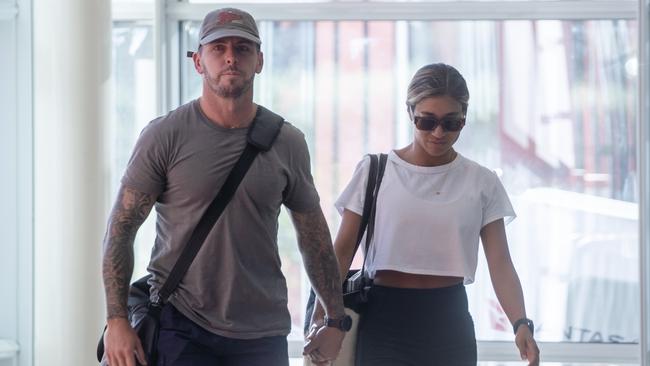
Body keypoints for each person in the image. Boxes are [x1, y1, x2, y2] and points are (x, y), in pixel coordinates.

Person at [101, 7, 348, 366]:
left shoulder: (287, 141)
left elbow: (313, 237)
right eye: (218, 48)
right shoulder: (164, 136)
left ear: (259, 60)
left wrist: (335, 319)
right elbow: (120, 229)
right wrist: (117, 320)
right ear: (198, 61)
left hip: (262, 333)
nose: (231, 57)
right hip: (181, 324)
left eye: (243, 48)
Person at [308, 63, 540, 366]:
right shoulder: (375, 171)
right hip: (384, 319)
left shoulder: (481, 181)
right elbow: (340, 253)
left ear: (464, 119)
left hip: (449, 321)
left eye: (451, 122)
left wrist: (521, 323)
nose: (439, 132)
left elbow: (500, 264)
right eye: (427, 121)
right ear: (410, 113)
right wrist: (321, 319)